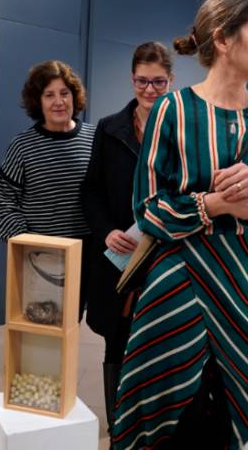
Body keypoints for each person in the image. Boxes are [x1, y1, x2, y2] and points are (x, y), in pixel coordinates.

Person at [111, 0, 248, 450]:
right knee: (167, 428)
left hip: (245, 293)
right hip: (177, 291)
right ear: (223, 39)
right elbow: (148, 209)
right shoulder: (173, 110)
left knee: (221, 427)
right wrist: (217, 205)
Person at [81, 42, 174, 432]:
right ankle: (119, 428)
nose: (149, 89)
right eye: (142, 81)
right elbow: (91, 191)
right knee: (116, 342)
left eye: (158, 82)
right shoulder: (109, 128)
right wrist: (107, 232)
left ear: (171, 80)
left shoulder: (182, 129)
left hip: (165, 255)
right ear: (132, 79)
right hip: (118, 256)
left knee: (159, 342)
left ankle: (150, 428)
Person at [0, 60, 95, 315]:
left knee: (74, 321)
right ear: (37, 102)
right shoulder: (23, 146)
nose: (58, 102)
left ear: (74, 97)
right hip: (41, 255)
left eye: (64, 93)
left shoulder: (95, 139)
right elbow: (1, 199)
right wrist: (27, 241)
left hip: (88, 252)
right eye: (49, 95)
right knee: (42, 324)